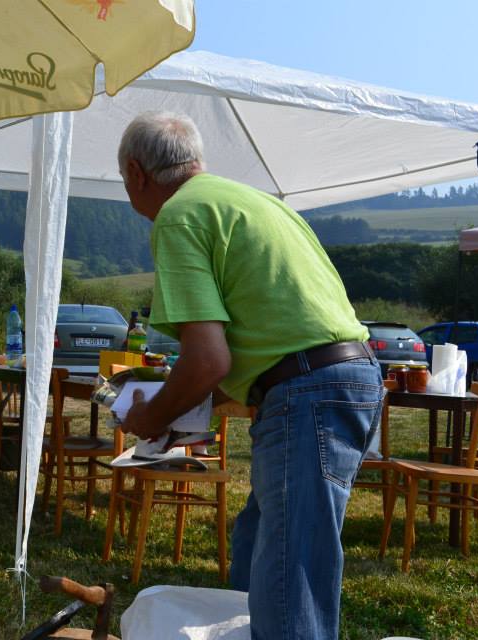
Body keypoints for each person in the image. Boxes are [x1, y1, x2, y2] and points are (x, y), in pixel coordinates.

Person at [116, 112, 382, 640]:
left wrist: (153, 417)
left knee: (290, 576)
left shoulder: (179, 215)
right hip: (348, 375)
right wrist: (186, 412)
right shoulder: (256, 202)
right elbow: (265, 339)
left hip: (306, 392)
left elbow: (207, 360)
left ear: (136, 173)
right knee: (259, 543)